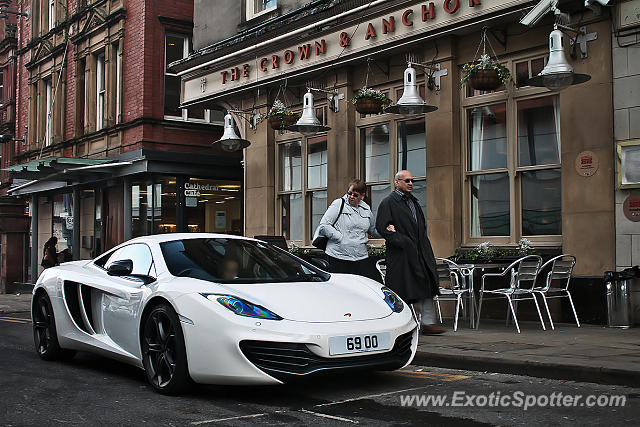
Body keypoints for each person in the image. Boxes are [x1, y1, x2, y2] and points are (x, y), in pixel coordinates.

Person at [375, 170, 443, 335]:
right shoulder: (389, 202)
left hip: (420, 251)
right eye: (406, 180)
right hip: (402, 255)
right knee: (403, 289)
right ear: (397, 182)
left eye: (412, 180)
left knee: (427, 285)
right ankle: (401, 324)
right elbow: (382, 227)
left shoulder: (413, 201)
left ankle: (427, 323)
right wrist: (403, 241)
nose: (411, 183)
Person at [313, 179, 382, 282]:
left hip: (360, 257)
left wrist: (387, 233)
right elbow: (324, 225)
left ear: (362, 196)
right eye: (349, 193)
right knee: (340, 289)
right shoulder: (338, 204)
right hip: (338, 257)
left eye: (355, 195)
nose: (351, 197)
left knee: (361, 287)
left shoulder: (366, 209)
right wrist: (340, 238)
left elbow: (372, 229)